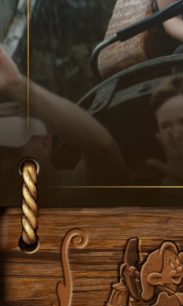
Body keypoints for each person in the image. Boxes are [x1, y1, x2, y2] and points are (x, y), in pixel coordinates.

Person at [0, 46, 127, 204]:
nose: (5, 167)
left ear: (45, 143)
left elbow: (102, 147)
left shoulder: (82, 186)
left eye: (11, 153)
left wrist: (17, 86)